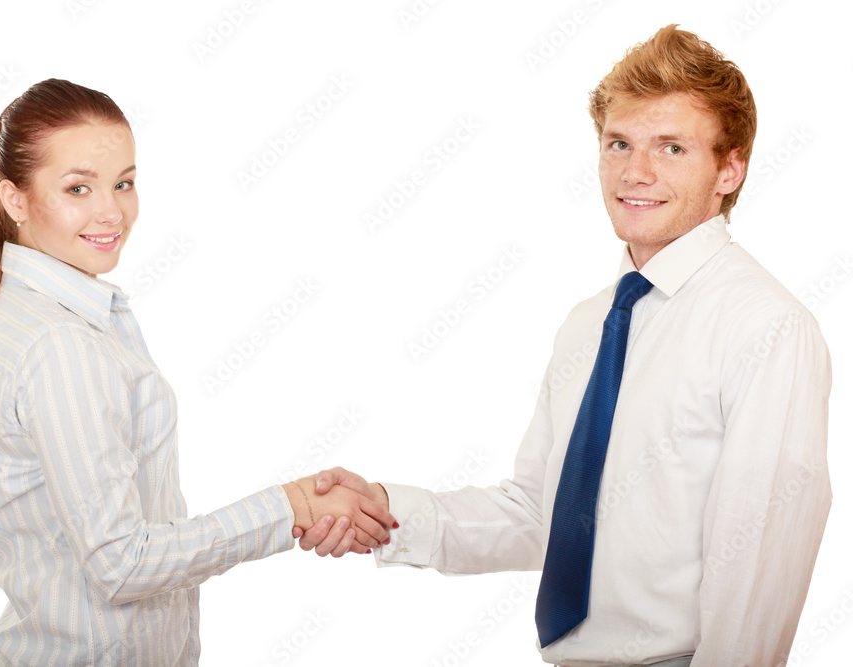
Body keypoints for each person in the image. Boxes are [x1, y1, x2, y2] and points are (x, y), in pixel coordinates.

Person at [296, 24, 831, 666]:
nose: (635, 171)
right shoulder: (591, 322)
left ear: (730, 168)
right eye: (619, 144)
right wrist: (385, 509)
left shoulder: (766, 326)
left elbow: (759, 565)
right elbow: (536, 516)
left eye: (671, 148)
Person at [0, 78, 395, 666]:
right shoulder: (60, 343)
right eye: (78, 188)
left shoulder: (49, 313)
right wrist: (294, 506)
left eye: (124, 184)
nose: (112, 211)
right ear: (14, 200)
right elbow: (123, 564)